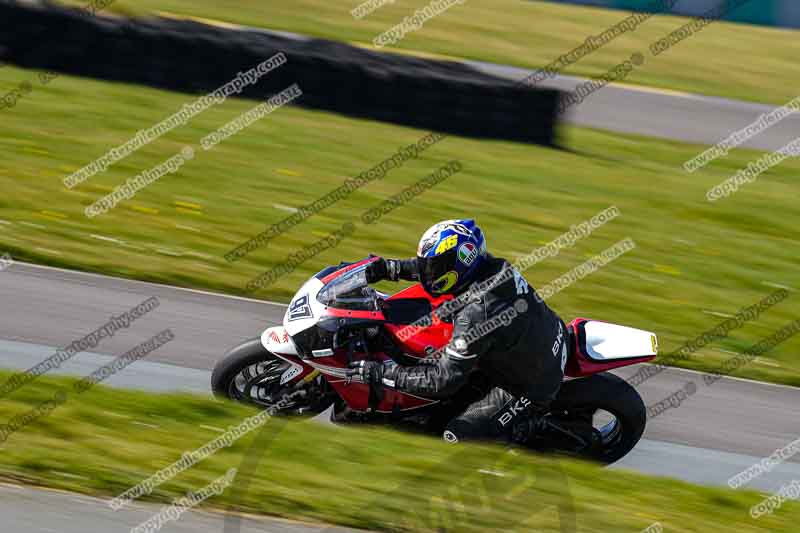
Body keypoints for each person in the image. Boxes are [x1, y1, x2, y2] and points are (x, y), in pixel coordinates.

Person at [348, 219, 568, 444]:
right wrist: (391, 268)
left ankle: (528, 431)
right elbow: (432, 272)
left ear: (461, 263)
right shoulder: (493, 267)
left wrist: (383, 374)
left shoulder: (476, 315)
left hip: (530, 386)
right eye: (430, 265)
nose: (429, 273)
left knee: (456, 435)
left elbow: (443, 381)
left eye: (436, 267)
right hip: (548, 338)